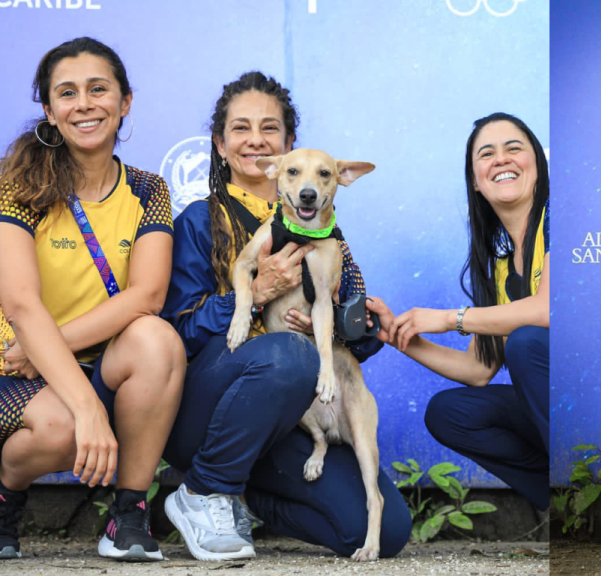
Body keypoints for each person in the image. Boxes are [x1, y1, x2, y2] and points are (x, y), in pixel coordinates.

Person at [160, 71, 411, 561]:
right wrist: (252, 295)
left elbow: (355, 340)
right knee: (287, 357)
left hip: (294, 417)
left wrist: (352, 319)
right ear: (219, 143)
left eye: (270, 128)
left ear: (290, 145)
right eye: (241, 128)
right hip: (213, 407)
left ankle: (247, 498)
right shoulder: (197, 221)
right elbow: (179, 333)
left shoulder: (324, 230)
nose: (256, 139)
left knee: (387, 531)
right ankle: (204, 488)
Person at [0, 37, 185, 561]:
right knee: (60, 426)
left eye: (98, 89)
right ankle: (5, 494)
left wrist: (59, 362)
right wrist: (84, 407)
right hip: (14, 369)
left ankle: (128, 515)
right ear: (50, 111)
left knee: (157, 338)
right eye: (68, 93)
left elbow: (146, 295)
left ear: (125, 102)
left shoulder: (148, 189)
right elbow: (19, 303)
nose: (85, 104)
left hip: (88, 364)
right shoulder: (16, 184)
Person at [365, 112, 550, 511]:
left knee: (527, 341)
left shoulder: (560, 217)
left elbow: (548, 310)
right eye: (487, 154)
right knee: (450, 412)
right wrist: (399, 337)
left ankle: (573, 482)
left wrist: (452, 318)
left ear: (538, 162)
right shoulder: (500, 262)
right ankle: (558, 499)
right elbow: (478, 370)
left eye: (513, 148)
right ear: (475, 181)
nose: (501, 159)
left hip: (574, 398)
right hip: (548, 402)